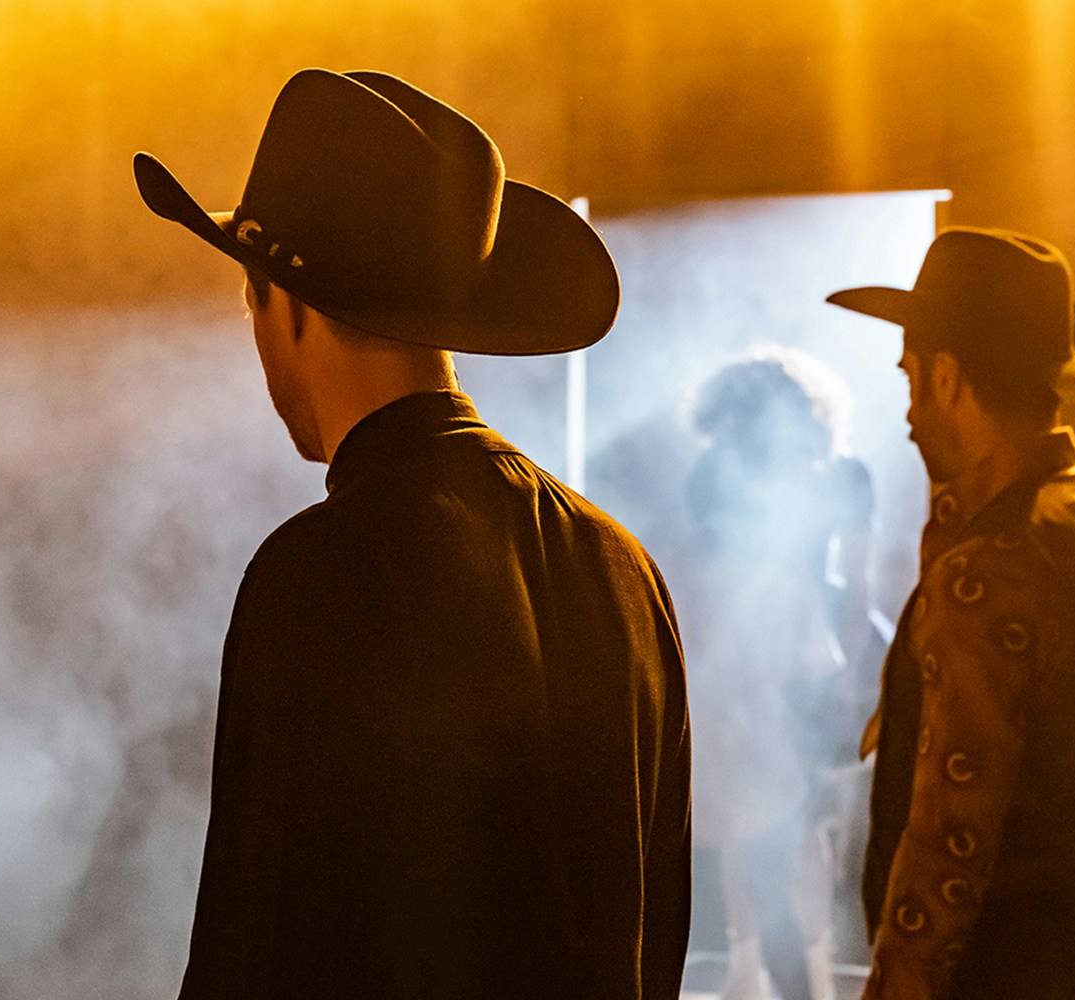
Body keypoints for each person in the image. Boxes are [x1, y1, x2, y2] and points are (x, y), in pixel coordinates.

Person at [132, 69, 691, 999]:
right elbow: (658, 933)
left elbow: (257, 942)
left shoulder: (319, 571)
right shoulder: (622, 567)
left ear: (282, 301)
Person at [825, 227, 1075, 1000]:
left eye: (911, 377)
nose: (909, 412)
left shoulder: (989, 572)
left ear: (946, 378)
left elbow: (947, 860)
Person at [681, 348, 880, 1000]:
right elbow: (708, 560)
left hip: (808, 650)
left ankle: (809, 972)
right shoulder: (718, 473)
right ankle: (749, 968)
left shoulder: (844, 478)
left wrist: (848, 675)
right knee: (741, 807)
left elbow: (858, 583)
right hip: (746, 640)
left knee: (799, 820)